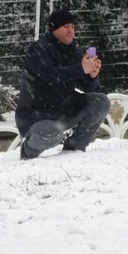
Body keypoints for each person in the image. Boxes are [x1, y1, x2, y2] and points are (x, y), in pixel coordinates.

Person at [15, 9, 110, 159]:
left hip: (64, 109)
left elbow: (88, 87)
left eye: (73, 26)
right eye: (66, 26)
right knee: (52, 134)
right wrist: (80, 69)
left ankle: (74, 148)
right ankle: (28, 151)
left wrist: (92, 75)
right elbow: (51, 76)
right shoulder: (38, 49)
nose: (71, 30)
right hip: (37, 114)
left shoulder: (73, 51)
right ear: (54, 28)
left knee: (101, 101)